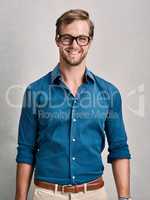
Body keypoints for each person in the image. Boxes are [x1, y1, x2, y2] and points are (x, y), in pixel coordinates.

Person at [15, 9, 132, 200]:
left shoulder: (109, 93)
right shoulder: (34, 92)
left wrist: (125, 198)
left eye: (82, 38)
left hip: (94, 194)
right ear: (57, 39)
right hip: (47, 194)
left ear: (90, 41)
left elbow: (120, 149)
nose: (74, 44)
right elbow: (26, 151)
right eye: (67, 37)